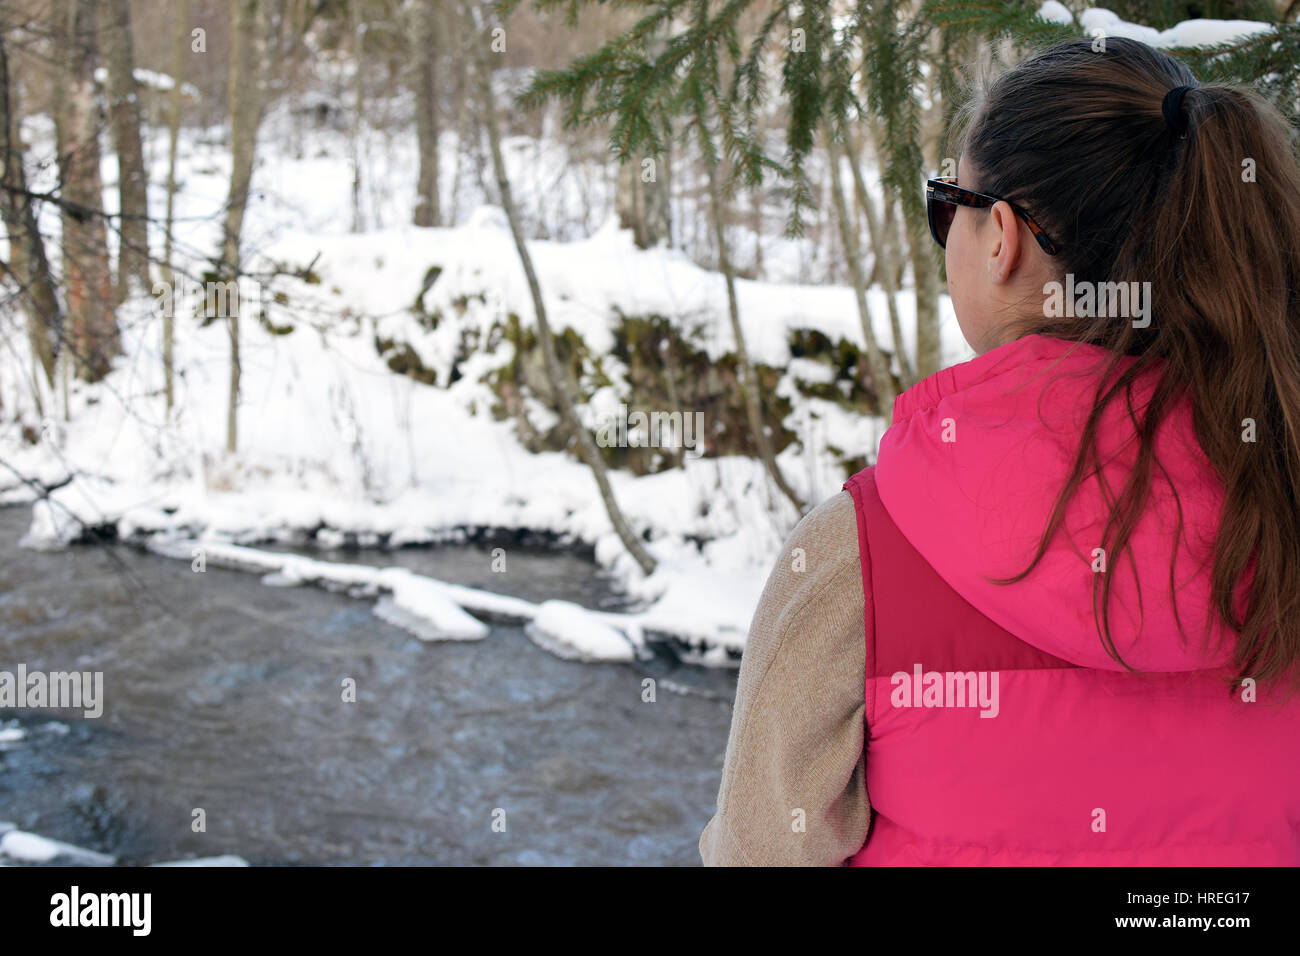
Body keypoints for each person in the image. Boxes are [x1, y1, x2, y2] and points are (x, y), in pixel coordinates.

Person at [699, 36, 1300, 866]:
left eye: (951, 205)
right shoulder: (1286, 493)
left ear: (1003, 237)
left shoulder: (860, 553)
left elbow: (760, 852)